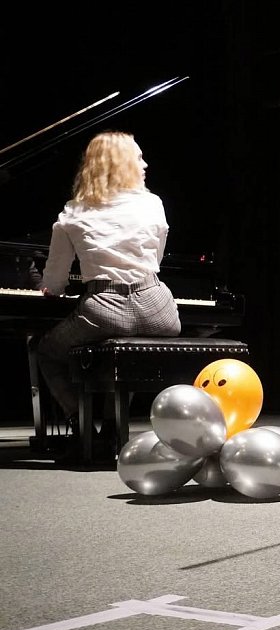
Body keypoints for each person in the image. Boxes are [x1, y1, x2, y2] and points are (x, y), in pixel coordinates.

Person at [36, 130, 181, 453]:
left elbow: (55, 280)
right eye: (138, 157)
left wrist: (51, 289)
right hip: (158, 306)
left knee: (46, 352)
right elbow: (155, 260)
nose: (145, 164)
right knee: (132, 350)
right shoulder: (153, 204)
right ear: (121, 163)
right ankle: (115, 426)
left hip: (104, 305)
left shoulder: (74, 212)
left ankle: (81, 422)